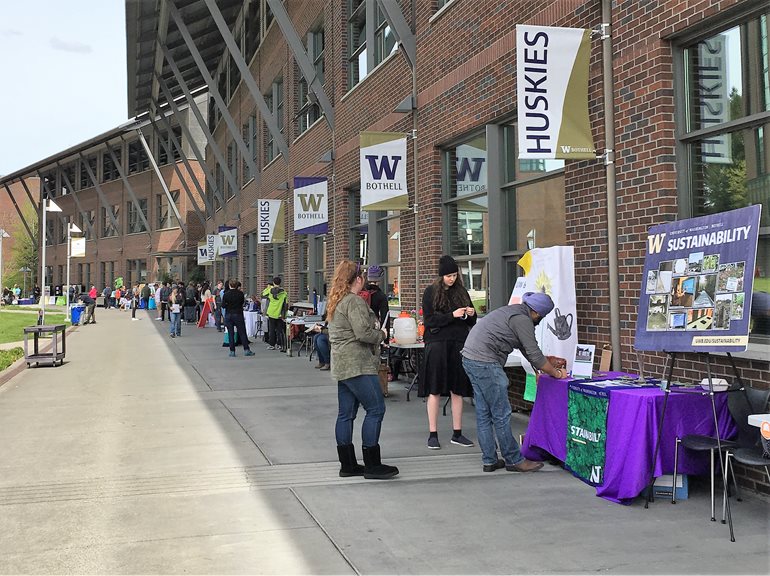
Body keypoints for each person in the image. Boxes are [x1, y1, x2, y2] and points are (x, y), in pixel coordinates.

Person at [461, 291, 568, 473]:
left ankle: (490, 460)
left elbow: (528, 349)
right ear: (538, 313)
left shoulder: (514, 312)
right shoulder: (523, 320)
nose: (540, 320)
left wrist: (548, 361)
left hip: (470, 358)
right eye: (542, 316)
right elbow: (533, 354)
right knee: (501, 413)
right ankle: (513, 459)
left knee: (484, 412)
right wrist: (557, 374)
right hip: (486, 363)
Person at [328, 260, 398, 480]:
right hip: (358, 364)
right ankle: (372, 464)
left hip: (341, 365)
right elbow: (363, 333)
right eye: (363, 279)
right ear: (358, 279)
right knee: (376, 409)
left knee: (345, 414)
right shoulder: (354, 302)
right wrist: (383, 335)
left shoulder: (336, 301)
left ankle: (347, 465)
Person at [420, 255, 477, 449]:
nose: (451, 279)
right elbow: (429, 321)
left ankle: (457, 432)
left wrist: (471, 314)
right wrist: (451, 315)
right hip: (437, 343)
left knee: (458, 389)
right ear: (441, 275)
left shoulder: (461, 292)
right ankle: (432, 433)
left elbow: (472, 322)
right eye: (448, 275)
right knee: (434, 389)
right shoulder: (430, 292)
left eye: (454, 275)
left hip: (458, 343)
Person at [222, 279, 254, 357]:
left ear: (230, 285)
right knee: (242, 332)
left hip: (229, 314)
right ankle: (246, 349)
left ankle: (232, 351)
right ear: (237, 286)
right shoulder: (240, 294)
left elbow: (223, 305)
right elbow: (242, 303)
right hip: (238, 314)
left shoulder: (226, 294)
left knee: (231, 333)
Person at [262, 277, 288, 351]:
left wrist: (269, 287)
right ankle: (279, 344)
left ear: (273, 283)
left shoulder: (270, 290)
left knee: (272, 329)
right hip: (279, 313)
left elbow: (263, 294)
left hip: (271, 312)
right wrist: (284, 314)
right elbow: (286, 304)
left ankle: (271, 345)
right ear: (280, 283)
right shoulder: (284, 292)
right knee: (279, 330)